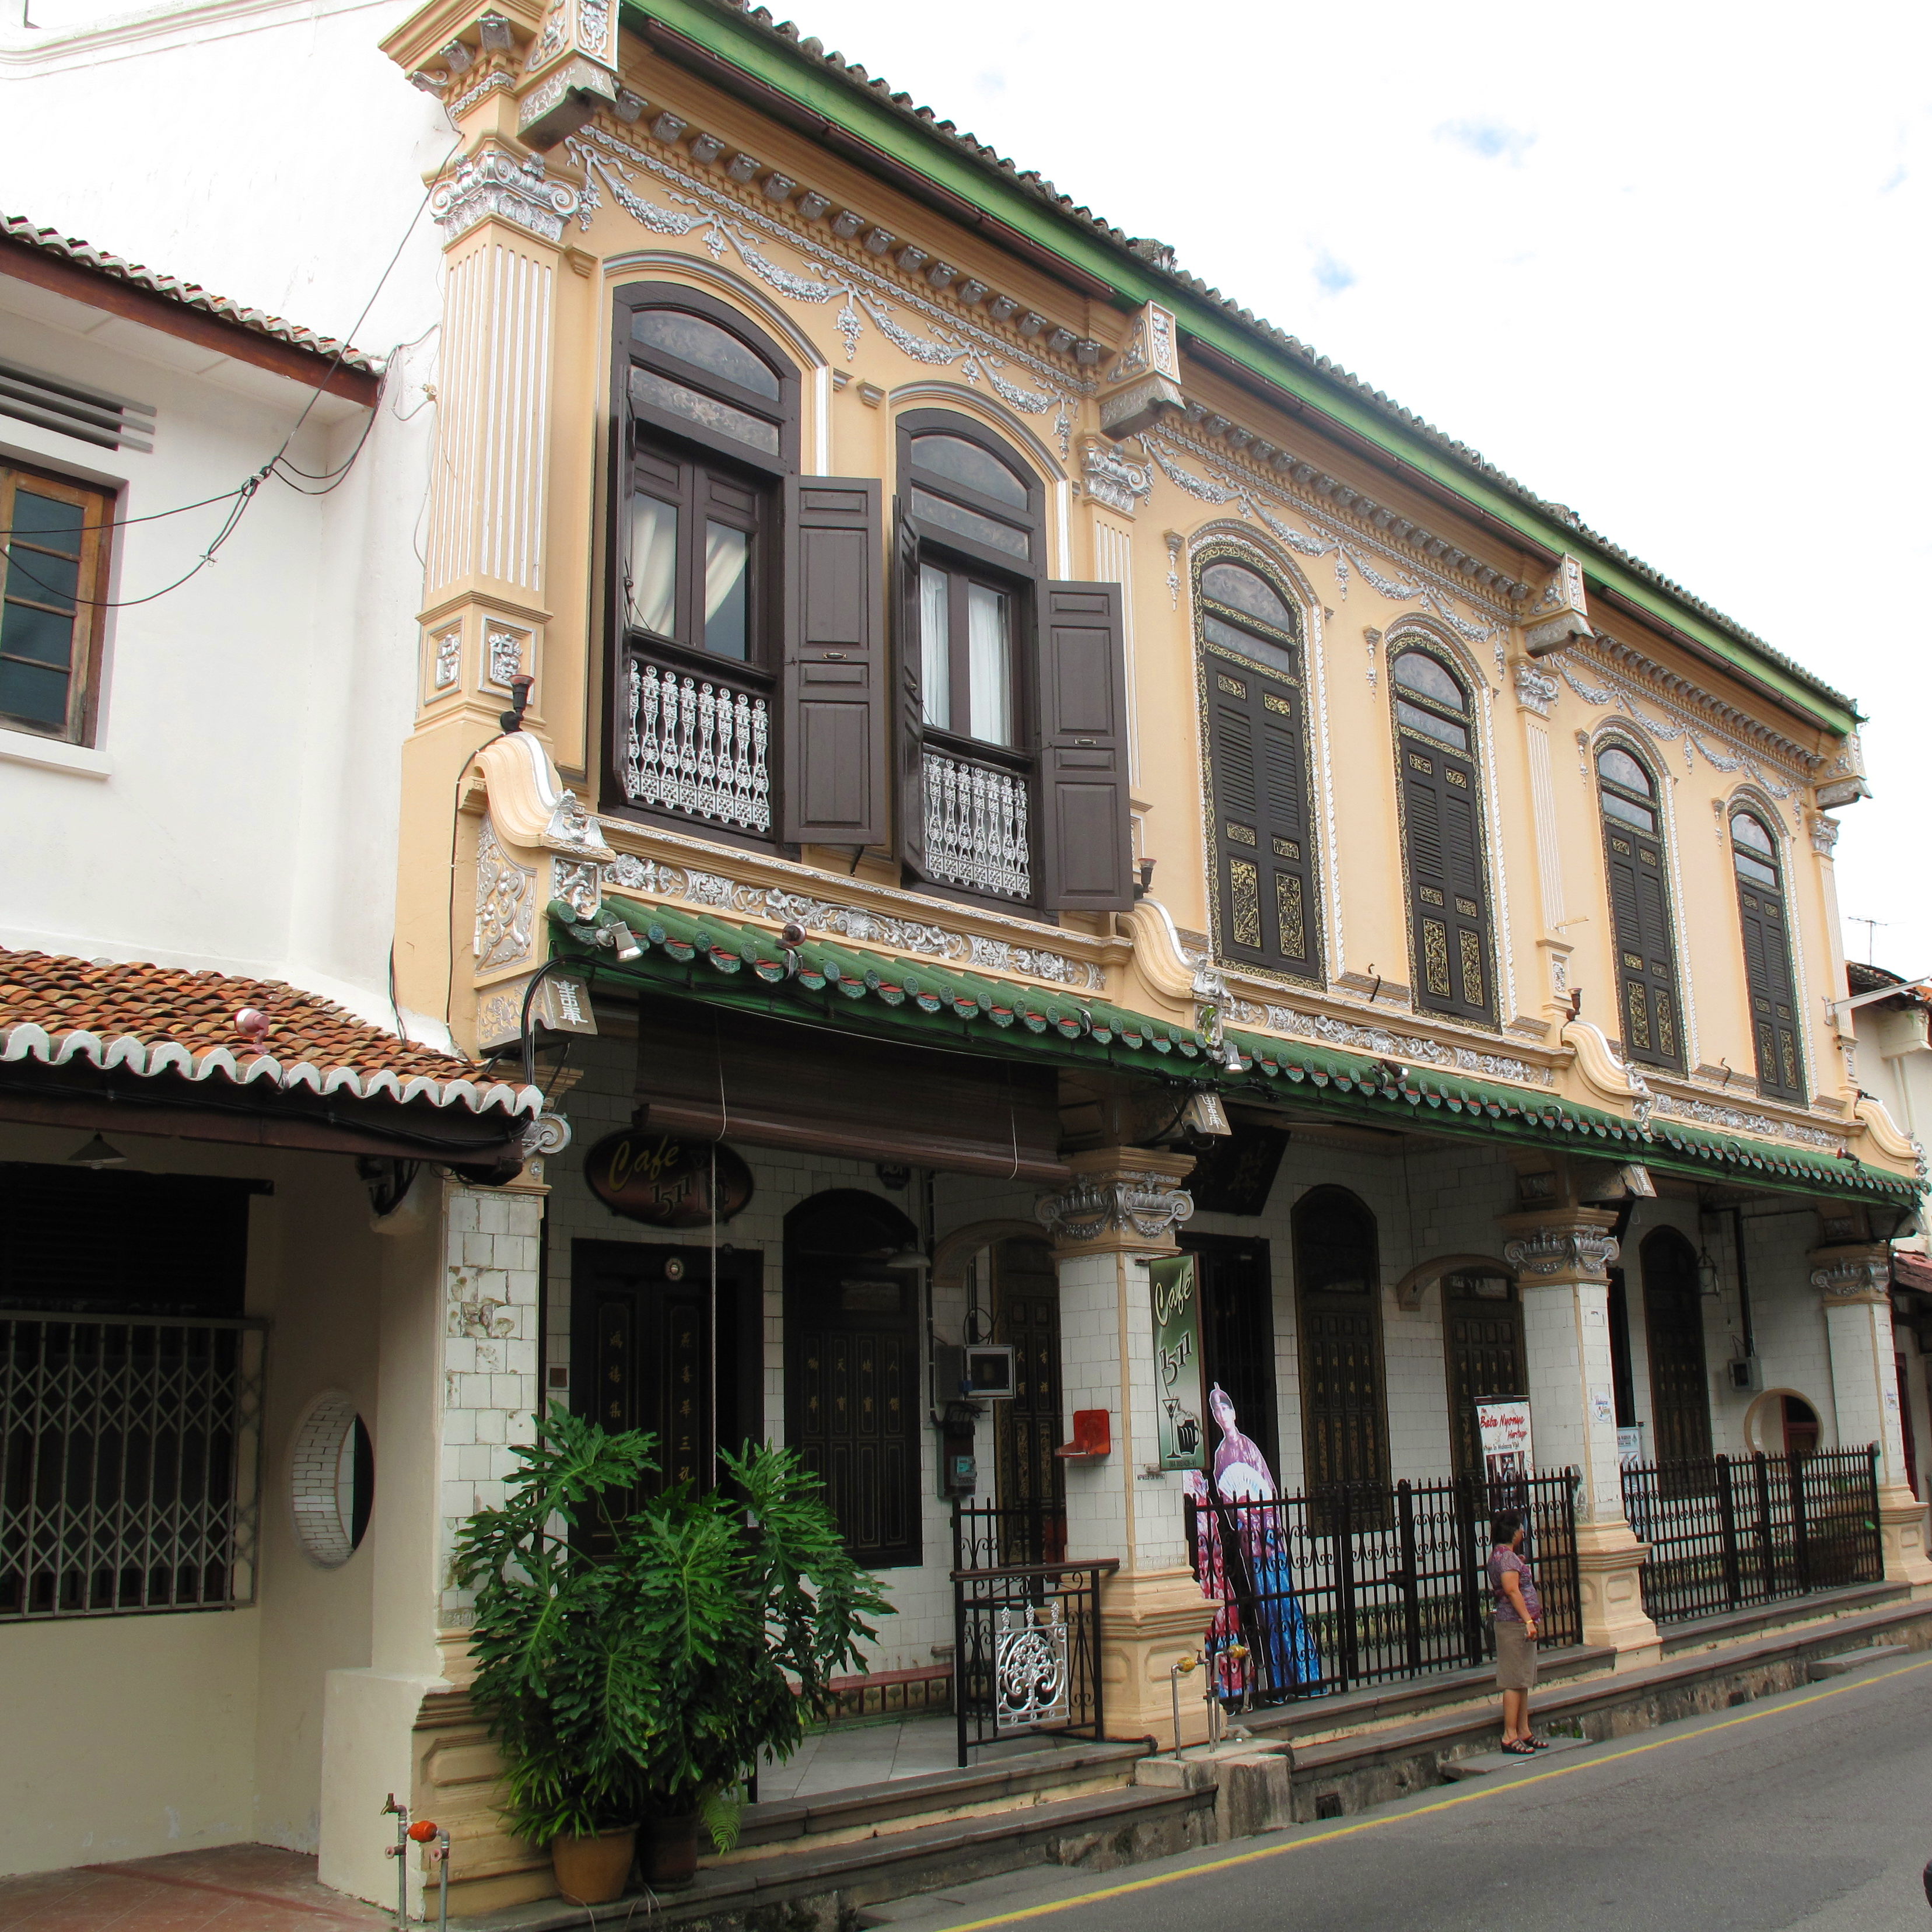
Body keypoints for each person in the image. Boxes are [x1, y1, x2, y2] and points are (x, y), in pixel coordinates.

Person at [1489, 1510, 1545, 1754]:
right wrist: (1528, 1621)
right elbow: (1512, 1591)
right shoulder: (1508, 1559)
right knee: (1514, 1680)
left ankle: (1524, 1730)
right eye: (1520, 1527)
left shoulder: (1503, 1556)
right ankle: (1509, 1734)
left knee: (1522, 1679)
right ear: (1513, 1532)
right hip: (1513, 1624)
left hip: (1516, 1624)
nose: (1523, 1531)